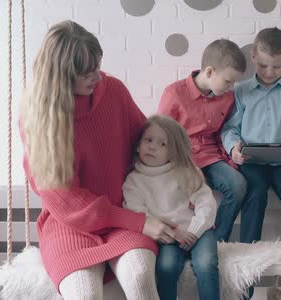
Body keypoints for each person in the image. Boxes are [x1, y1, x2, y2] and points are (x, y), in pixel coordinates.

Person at [19, 20, 176, 300]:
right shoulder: (37, 120)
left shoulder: (113, 91)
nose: (98, 77)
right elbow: (66, 203)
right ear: (62, 77)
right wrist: (139, 222)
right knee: (84, 295)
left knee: (140, 275)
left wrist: (183, 161)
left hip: (122, 214)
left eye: (97, 67)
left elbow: (145, 144)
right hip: (69, 227)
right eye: (87, 73)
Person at [221, 27, 281, 300]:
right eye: (263, 65)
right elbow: (229, 129)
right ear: (253, 57)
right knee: (255, 198)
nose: (269, 71)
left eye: (276, 66)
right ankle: (246, 280)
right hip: (251, 163)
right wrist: (234, 148)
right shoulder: (240, 92)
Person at [158, 38, 247, 242]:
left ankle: (216, 241)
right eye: (228, 81)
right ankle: (189, 239)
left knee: (238, 184)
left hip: (211, 157)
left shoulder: (227, 97)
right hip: (182, 159)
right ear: (209, 72)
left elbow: (222, 132)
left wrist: (231, 155)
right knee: (185, 195)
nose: (231, 87)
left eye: (234, 82)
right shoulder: (174, 93)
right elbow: (162, 135)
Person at [123, 115, 220, 300]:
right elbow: (138, 214)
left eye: (162, 144)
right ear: (138, 144)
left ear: (173, 152)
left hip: (197, 231)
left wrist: (195, 230)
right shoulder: (133, 181)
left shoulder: (183, 172)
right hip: (167, 237)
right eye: (148, 140)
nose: (152, 147)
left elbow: (205, 201)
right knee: (166, 268)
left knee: (206, 263)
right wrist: (173, 233)